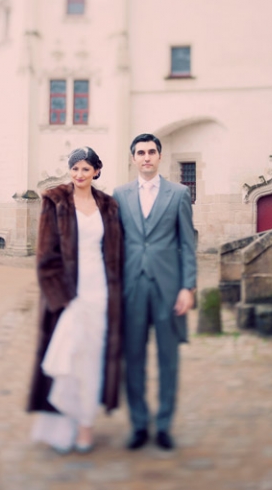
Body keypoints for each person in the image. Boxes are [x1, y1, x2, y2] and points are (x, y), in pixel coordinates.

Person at [28, 147, 124, 454]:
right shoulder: (54, 200)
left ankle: (85, 425)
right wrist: (63, 297)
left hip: (101, 292)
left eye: (85, 169)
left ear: (96, 171)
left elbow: (116, 253)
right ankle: (61, 425)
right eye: (75, 169)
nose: (79, 174)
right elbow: (45, 256)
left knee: (94, 358)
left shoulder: (108, 206)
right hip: (69, 296)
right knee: (68, 358)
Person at [113, 133, 197, 451]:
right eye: (140, 153)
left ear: (159, 156)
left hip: (168, 288)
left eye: (151, 152)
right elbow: (115, 244)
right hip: (131, 286)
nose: (146, 157)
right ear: (133, 159)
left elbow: (188, 244)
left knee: (168, 359)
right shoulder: (119, 195)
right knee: (132, 358)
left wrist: (188, 287)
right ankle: (138, 424)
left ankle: (163, 425)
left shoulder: (178, 194)